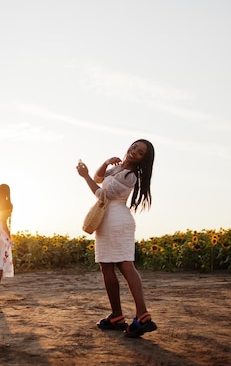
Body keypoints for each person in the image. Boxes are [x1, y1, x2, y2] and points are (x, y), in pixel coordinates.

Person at [76, 139, 158, 338]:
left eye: (139, 153)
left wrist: (84, 176)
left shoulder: (130, 176)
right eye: (134, 147)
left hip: (116, 220)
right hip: (109, 219)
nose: (134, 152)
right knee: (107, 266)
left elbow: (101, 194)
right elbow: (99, 177)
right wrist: (105, 163)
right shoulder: (119, 168)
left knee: (125, 265)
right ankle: (117, 316)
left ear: (143, 160)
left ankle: (142, 315)